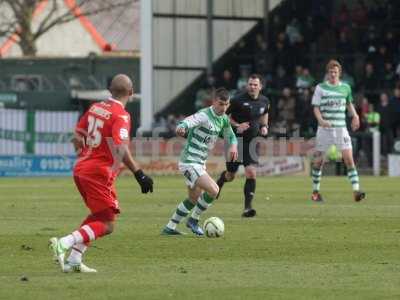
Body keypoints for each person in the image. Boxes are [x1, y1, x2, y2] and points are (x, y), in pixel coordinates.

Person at [49, 74, 154, 273]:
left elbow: (77, 136)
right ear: (131, 93)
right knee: (107, 224)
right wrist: (139, 174)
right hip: (98, 174)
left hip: (82, 169)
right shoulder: (121, 115)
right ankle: (64, 242)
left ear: (110, 91)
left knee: (99, 215)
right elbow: (121, 148)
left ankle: (74, 259)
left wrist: (86, 156)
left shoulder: (96, 107)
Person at [161, 87, 238, 236]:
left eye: (227, 104)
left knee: (193, 199)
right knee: (214, 190)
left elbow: (231, 136)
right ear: (214, 101)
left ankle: (170, 227)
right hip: (189, 162)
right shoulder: (204, 115)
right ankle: (194, 220)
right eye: (221, 104)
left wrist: (233, 146)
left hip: (199, 163)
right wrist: (181, 127)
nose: (224, 108)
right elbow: (189, 121)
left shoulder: (223, 119)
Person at [311, 60, 365, 202]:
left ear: (339, 73)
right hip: (324, 129)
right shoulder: (320, 88)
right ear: (327, 73)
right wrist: (321, 120)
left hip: (341, 129)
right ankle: (315, 192)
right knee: (318, 162)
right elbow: (315, 107)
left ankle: (356, 191)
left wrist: (355, 116)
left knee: (349, 159)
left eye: (335, 72)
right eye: (331, 72)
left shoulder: (346, 87)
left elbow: (349, 103)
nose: (333, 74)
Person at [216, 74, 270, 217]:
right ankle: (220, 181)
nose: (252, 87)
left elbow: (265, 113)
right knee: (231, 175)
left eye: (255, 85)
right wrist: (237, 125)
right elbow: (223, 116)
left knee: (251, 172)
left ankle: (247, 208)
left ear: (260, 86)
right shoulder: (237, 100)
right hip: (234, 141)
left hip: (251, 142)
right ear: (247, 85)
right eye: (250, 84)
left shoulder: (265, 101)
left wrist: (264, 126)